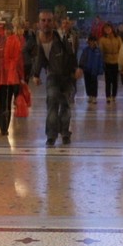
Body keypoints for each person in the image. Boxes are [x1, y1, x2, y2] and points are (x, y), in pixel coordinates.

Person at [30, 8, 79, 146]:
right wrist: (36, 74)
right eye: (43, 20)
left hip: (67, 76)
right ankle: (51, 135)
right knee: (52, 104)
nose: (46, 23)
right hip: (52, 76)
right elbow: (39, 57)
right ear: (39, 23)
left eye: (49, 21)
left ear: (53, 23)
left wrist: (76, 69)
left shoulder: (61, 38)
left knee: (65, 106)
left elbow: (71, 54)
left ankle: (64, 133)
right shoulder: (38, 38)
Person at [0, 16, 24, 136]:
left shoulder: (10, 41)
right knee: (4, 99)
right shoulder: (7, 41)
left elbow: (17, 60)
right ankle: (3, 125)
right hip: (6, 76)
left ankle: (3, 125)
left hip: (7, 76)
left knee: (4, 100)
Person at [99, 22, 123, 103]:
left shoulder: (118, 38)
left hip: (116, 60)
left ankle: (114, 95)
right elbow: (101, 51)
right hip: (107, 61)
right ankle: (108, 96)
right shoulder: (102, 39)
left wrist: (121, 61)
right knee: (108, 80)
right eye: (106, 29)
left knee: (115, 80)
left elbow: (121, 49)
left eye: (109, 28)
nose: (107, 30)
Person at [78, 31, 103, 101]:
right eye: (90, 41)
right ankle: (89, 95)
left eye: (93, 41)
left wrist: (101, 69)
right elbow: (82, 58)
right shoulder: (86, 50)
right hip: (87, 70)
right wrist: (81, 67)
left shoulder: (98, 50)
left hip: (94, 70)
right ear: (88, 42)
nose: (92, 43)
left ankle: (94, 96)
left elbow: (100, 61)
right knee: (87, 83)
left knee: (94, 83)